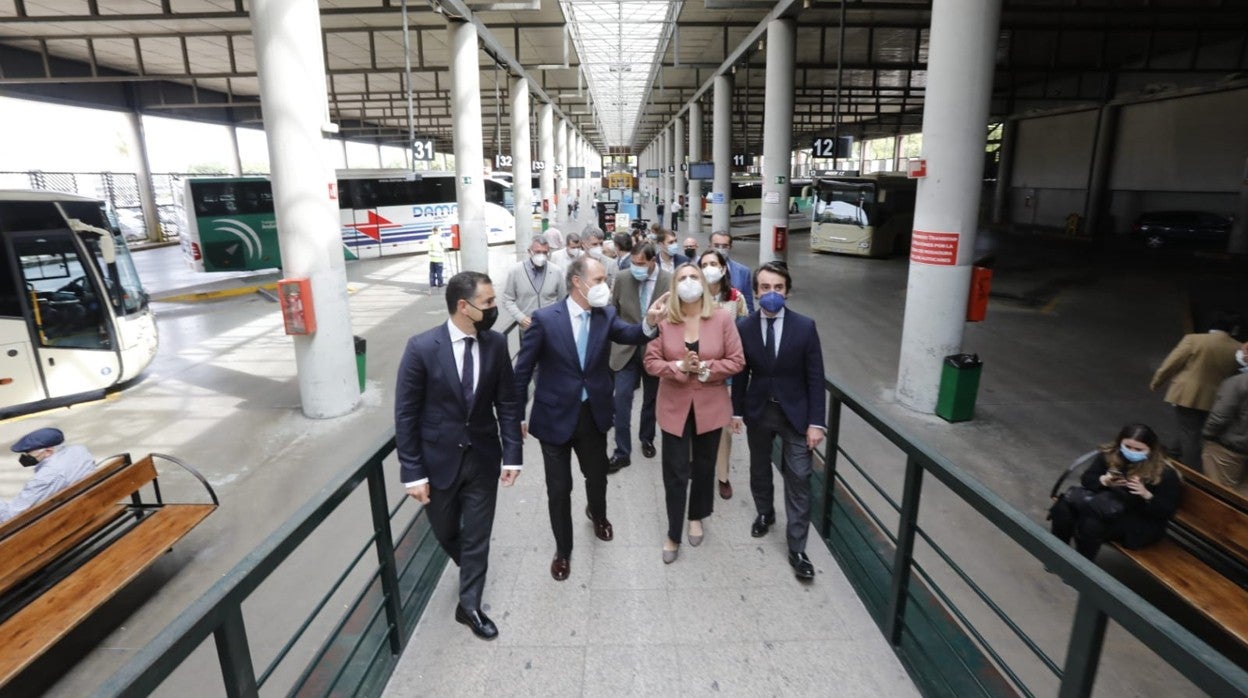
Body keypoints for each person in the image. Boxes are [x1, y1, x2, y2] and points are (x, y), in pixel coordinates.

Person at [514, 256, 669, 581]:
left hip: (592, 414)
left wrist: (649, 323)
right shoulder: (544, 319)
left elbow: (629, 334)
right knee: (559, 488)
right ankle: (563, 550)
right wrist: (516, 414)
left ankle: (598, 515)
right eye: (599, 281)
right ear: (577, 282)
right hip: (554, 416)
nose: (605, 287)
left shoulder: (605, 315)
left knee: (596, 477)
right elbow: (523, 370)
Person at [395, 271, 523, 640]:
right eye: (488, 303)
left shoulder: (496, 344)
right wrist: (413, 473)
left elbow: (508, 404)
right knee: (447, 530)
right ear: (463, 307)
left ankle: (469, 606)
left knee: (478, 534)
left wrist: (512, 455)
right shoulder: (421, 348)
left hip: (483, 457)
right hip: (438, 463)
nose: (495, 308)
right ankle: (471, 568)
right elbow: (405, 414)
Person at [732, 262, 826, 581]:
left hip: (796, 414)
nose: (772, 293)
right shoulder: (744, 327)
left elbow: (816, 378)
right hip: (759, 411)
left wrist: (817, 422)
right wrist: (736, 411)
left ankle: (797, 548)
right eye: (765, 288)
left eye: (779, 288)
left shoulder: (805, 327)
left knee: (799, 477)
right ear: (755, 292)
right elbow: (740, 374)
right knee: (759, 467)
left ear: (787, 291)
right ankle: (765, 512)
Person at [645, 264, 744, 563]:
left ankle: (696, 515)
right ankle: (673, 531)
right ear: (674, 287)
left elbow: (737, 360)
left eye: (694, 277)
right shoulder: (663, 321)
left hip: (711, 407)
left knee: (704, 467)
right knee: (674, 471)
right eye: (682, 278)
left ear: (703, 282)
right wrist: (677, 368)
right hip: (674, 407)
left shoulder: (722, 318)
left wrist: (705, 370)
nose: (689, 282)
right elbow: (650, 362)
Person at [1048, 423, 1181, 560]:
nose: (1132, 452)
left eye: (1138, 449)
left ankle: (1081, 567)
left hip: (1138, 520)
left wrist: (1145, 494)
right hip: (1105, 507)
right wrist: (1103, 481)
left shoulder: (1164, 473)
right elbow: (1088, 479)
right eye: (1128, 447)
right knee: (1062, 508)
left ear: (1151, 450)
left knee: (1092, 524)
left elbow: (1166, 511)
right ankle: (1056, 555)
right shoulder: (1112, 455)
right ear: (1120, 443)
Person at [609, 243, 671, 473]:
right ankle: (622, 451)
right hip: (625, 349)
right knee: (621, 400)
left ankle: (647, 438)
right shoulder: (623, 278)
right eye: (633, 263)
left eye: (641, 264)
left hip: (655, 350)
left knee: (651, 399)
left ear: (653, 260)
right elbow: (612, 311)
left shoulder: (668, 280)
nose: (635, 268)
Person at [1149, 314, 1242, 465]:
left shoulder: (1194, 339)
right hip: (1216, 397)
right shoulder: (1237, 347)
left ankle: (1189, 469)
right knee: (1191, 429)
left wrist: (1157, 382)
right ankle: (1172, 453)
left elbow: (1172, 363)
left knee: (1189, 432)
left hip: (1187, 393)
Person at [700, 249, 748, 500]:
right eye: (704, 264)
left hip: (726, 373)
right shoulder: (691, 297)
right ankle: (693, 466)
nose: (709, 268)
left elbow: (743, 331)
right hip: (697, 371)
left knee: (724, 429)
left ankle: (722, 476)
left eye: (714, 264)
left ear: (723, 268)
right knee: (694, 422)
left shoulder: (735, 298)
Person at [0, 428, 96, 524]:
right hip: (88, 503)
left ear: (48, 451)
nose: (25, 456)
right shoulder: (79, 450)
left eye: (28, 452)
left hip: (64, 521)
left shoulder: (45, 477)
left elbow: (9, 517)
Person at [1201, 343, 1248, 491]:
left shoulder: (1237, 382)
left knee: (1220, 493)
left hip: (1228, 449)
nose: (1240, 352)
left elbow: (1220, 416)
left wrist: (1208, 435)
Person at [500, 234, 566, 335]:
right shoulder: (515, 271)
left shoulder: (556, 271)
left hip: (551, 328)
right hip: (527, 330)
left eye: (545, 252)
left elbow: (563, 299)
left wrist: (555, 317)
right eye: (538, 252)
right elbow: (507, 299)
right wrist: (520, 317)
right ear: (530, 252)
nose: (541, 255)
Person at [710, 230, 755, 313]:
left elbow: (748, 305)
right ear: (710, 246)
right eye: (716, 245)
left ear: (730, 247)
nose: (720, 249)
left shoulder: (743, 272)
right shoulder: (699, 270)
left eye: (725, 246)